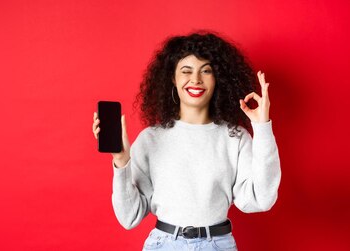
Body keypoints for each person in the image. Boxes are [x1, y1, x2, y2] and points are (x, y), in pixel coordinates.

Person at [91, 31, 281, 251]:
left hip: (218, 245)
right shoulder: (150, 139)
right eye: (186, 71)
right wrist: (122, 161)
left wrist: (262, 128)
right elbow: (129, 217)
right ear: (173, 78)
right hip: (163, 245)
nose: (196, 79)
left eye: (206, 71)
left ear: (218, 78)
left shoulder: (235, 137)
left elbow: (261, 199)